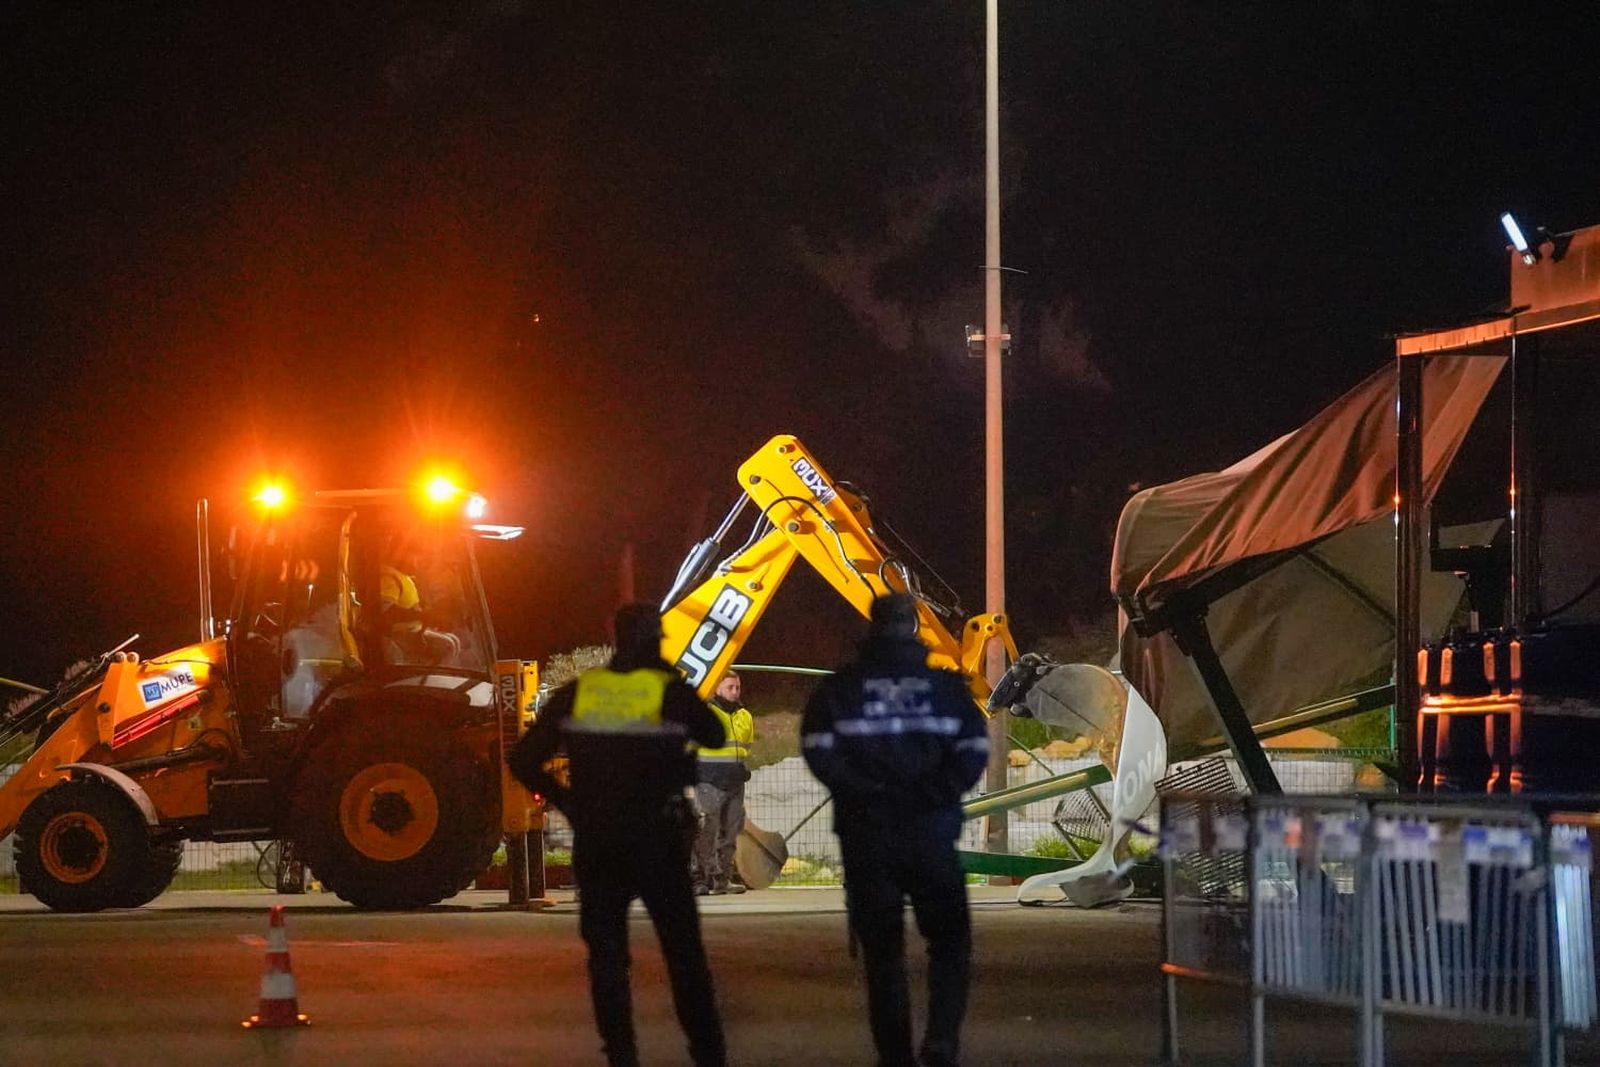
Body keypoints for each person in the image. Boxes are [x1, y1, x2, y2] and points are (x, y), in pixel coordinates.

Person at [508, 604, 729, 1067]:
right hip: (658, 839)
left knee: (607, 958)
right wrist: (672, 683)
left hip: (599, 839)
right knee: (684, 954)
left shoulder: (580, 692)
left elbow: (523, 759)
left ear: (617, 638)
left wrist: (566, 800)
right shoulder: (667, 690)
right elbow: (712, 733)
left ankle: (622, 1056)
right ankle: (708, 1054)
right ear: (655, 640)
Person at [801, 593, 988, 1067]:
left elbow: (818, 748)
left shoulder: (841, 689)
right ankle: (941, 1040)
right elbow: (972, 750)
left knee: (882, 954)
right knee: (949, 942)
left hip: (867, 835)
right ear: (914, 628)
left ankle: (895, 1055)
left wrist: (864, 791)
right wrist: (935, 793)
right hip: (931, 833)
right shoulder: (946, 688)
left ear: (873, 626)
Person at [691, 670, 755, 896]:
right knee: (706, 832)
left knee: (729, 835)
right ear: (717, 688)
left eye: (738, 687)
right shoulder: (705, 714)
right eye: (730, 687)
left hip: (735, 783)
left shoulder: (745, 716)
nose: (735, 692)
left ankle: (722, 880)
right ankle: (699, 880)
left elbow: (746, 747)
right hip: (709, 781)